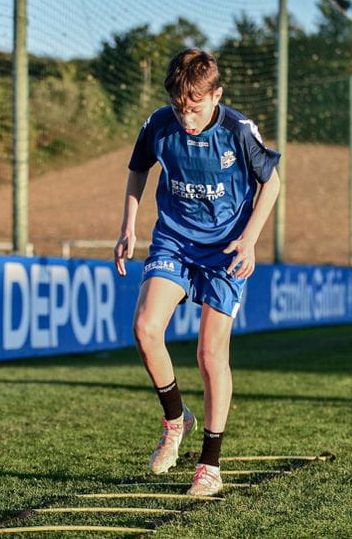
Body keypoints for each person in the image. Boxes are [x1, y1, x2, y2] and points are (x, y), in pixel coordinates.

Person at [114, 48, 281, 496]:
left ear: (216, 95)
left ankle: (209, 464)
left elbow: (272, 183)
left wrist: (249, 239)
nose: (186, 118)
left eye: (195, 107)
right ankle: (175, 420)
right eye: (179, 108)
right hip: (173, 240)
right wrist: (128, 227)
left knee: (210, 355)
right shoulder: (159, 124)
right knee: (146, 328)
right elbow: (137, 171)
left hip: (226, 250)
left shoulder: (237, 130)